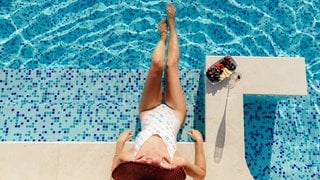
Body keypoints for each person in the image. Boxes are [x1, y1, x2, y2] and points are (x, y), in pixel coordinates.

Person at [111, 3, 206, 180]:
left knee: (156, 65)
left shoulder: (130, 157)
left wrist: (120, 143)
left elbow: (115, 168)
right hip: (174, 114)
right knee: (170, 66)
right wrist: (199, 143)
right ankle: (172, 24)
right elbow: (200, 175)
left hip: (148, 112)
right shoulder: (174, 162)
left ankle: (162, 38)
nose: (150, 160)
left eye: (145, 162)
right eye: (156, 163)